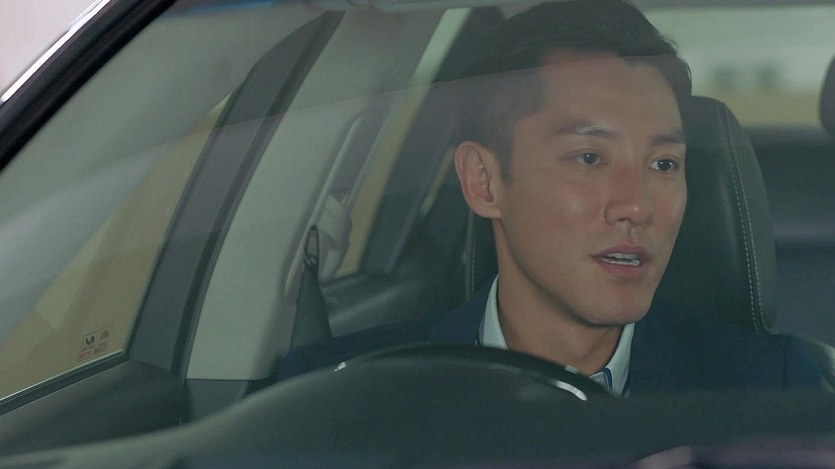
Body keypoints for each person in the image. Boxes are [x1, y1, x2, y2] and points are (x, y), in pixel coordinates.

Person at [276, 0, 821, 394]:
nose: (638, 207)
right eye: (589, 158)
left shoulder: (769, 389)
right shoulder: (343, 393)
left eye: (663, 164)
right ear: (484, 181)